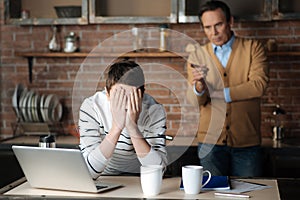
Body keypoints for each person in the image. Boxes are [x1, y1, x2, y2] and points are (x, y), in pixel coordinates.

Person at [186, 1, 269, 177]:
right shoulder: (197, 55)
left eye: (218, 25)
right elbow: (195, 101)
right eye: (207, 27)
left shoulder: (253, 48)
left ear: (230, 21)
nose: (213, 33)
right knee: (211, 194)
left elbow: (258, 85)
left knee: (250, 193)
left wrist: (218, 94)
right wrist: (199, 87)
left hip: (246, 142)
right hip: (209, 142)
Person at [79, 60, 167, 179]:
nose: (124, 104)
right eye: (118, 96)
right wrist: (117, 127)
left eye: (132, 97)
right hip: (103, 176)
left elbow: (158, 171)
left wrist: (133, 128)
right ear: (108, 94)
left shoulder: (154, 110)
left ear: (142, 95)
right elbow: (88, 172)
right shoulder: (91, 107)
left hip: (141, 177)